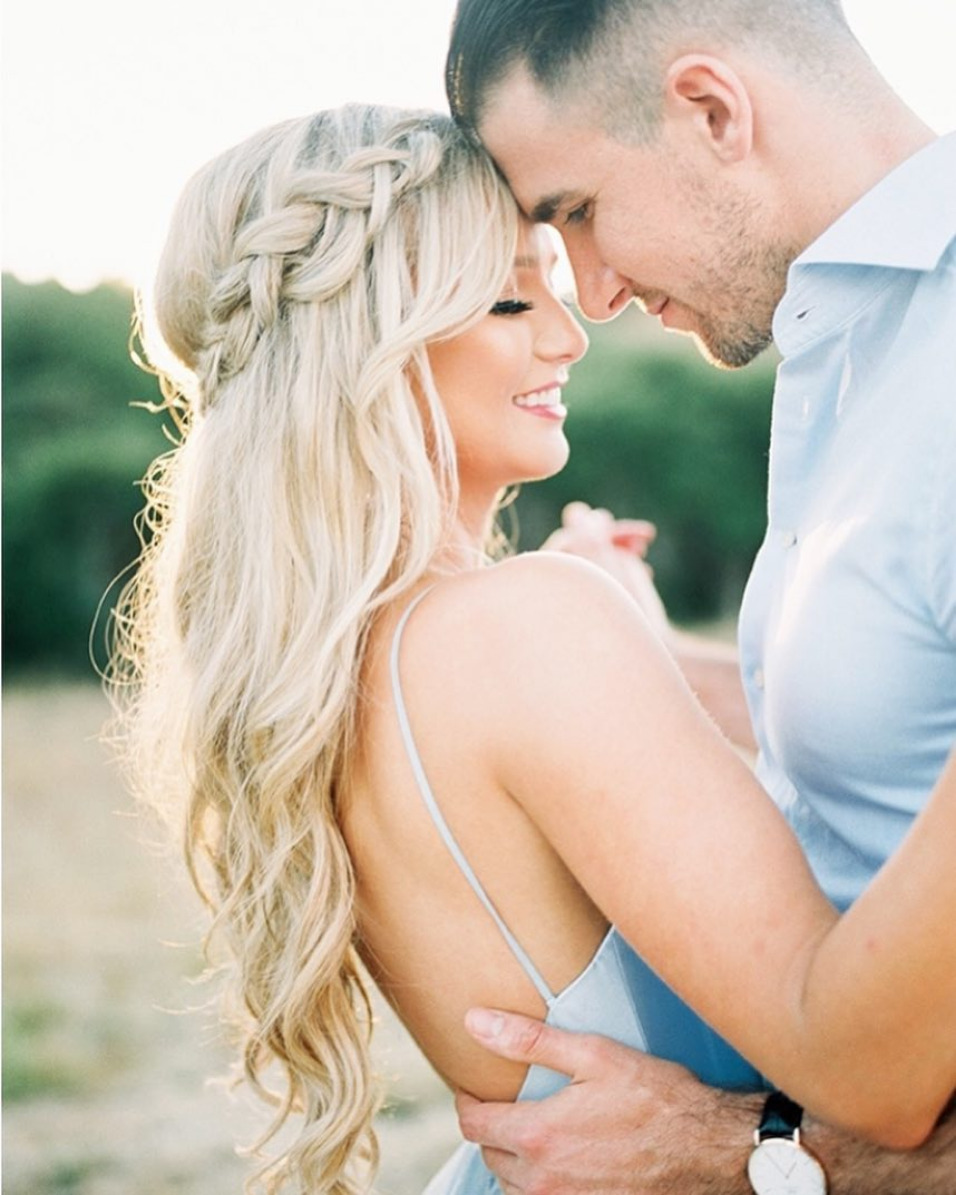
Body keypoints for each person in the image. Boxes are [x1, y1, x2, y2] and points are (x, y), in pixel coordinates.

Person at [104, 101, 955, 1195]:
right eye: (511, 294)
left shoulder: (344, 668)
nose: (567, 332)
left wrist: (643, 648)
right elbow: (865, 1070)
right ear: (368, 341)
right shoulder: (521, 631)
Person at [443, 0, 956, 1191]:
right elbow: (895, 731)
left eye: (574, 213)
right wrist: (639, 649)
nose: (595, 293)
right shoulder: (844, 334)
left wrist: (749, 1155)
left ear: (712, 112)